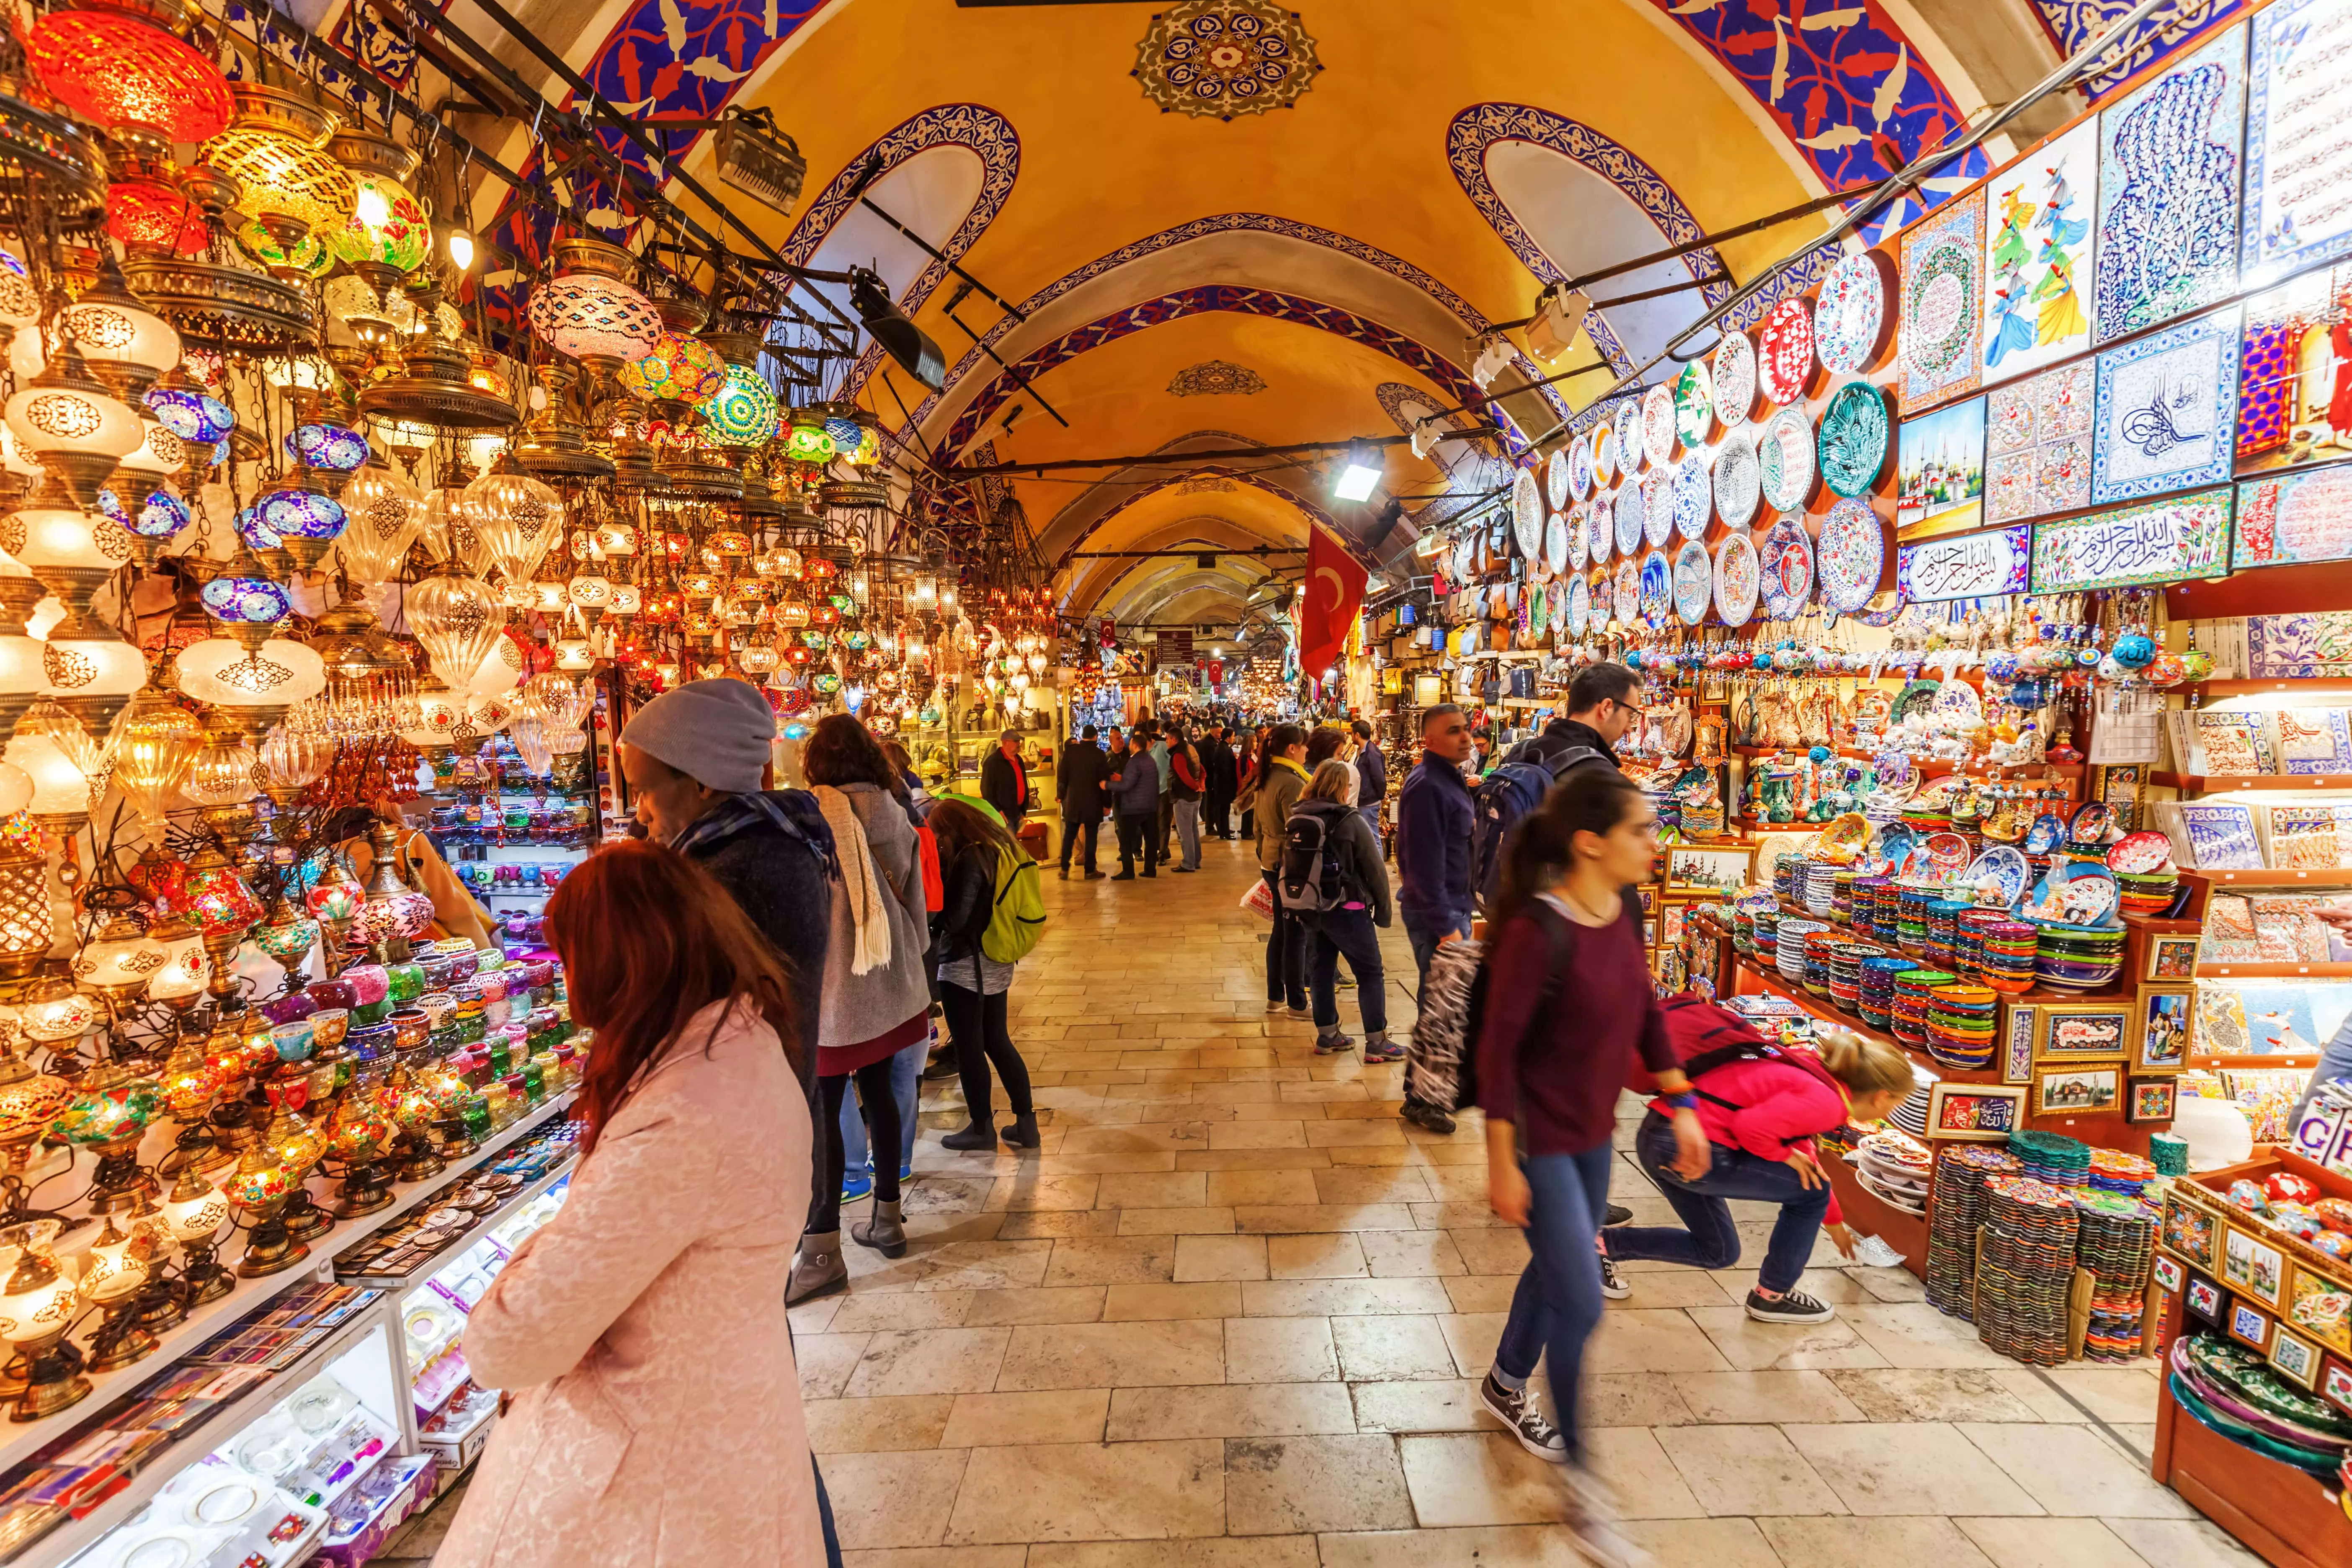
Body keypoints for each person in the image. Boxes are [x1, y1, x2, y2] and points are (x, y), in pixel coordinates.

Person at [431, 841, 824, 1568]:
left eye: (572, 954)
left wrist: (537, 1248)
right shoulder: (740, 1043)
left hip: (658, 1480)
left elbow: (512, 1341)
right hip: (718, 1429)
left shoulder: (680, 1115)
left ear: (619, 960)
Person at [1475, 769, 1709, 1558]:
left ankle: (1506, 1380)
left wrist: (1681, 1101)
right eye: (1642, 828)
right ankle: (1583, 1490)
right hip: (1541, 1144)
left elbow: (1642, 1005)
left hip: (1590, 1138)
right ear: (1590, 841)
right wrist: (1501, 1160)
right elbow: (1498, 1053)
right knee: (1581, 1305)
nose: (1655, 842)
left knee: (1557, 1271)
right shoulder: (1536, 931)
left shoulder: (1623, 909)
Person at [1602, 1002, 1914, 1322]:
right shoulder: (1828, 1104)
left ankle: (1600, 1246)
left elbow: (1807, 1160)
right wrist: (1783, 1157)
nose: (1891, 1113)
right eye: (1897, 1104)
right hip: (1688, 1145)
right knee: (1811, 1195)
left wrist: (1834, 1223)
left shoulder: (1812, 1071)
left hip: (1663, 1135)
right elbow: (1752, 1129)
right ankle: (1773, 1296)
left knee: (1719, 1251)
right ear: (1881, 1097)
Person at [789, 716, 935, 1305]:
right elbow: (914, 892)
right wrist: (913, 958)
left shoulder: (809, 816)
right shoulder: (893, 811)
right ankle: (889, 1217)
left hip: (831, 989)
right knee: (880, 1093)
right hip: (889, 981)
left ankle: (822, 1249)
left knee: (823, 1112)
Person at [929, 799, 1041, 1150]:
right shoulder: (1001, 848)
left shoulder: (969, 858)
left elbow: (957, 920)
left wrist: (932, 917)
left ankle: (981, 1129)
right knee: (997, 1041)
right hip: (996, 960)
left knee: (970, 1048)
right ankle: (1027, 1124)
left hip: (966, 967)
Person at [1292, 759, 1397, 1060]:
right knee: (1370, 972)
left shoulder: (1299, 815)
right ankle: (1378, 1043)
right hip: (1348, 907)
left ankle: (1328, 1036)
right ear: (1343, 787)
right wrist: (1385, 913)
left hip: (1312, 907)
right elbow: (1376, 871)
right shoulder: (1349, 820)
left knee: (1321, 970)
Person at [1243, 724, 1311, 1016]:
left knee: (1281, 931)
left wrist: (1265, 854)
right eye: (1304, 745)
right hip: (1288, 865)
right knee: (1295, 934)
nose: (1307, 751)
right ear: (1292, 749)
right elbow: (1298, 831)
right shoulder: (1292, 782)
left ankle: (1275, 996)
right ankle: (1296, 1001)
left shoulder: (1267, 777)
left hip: (1271, 861)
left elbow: (1258, 827)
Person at [1505, 661, 1645, 774]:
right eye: (1630, 715)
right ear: (1606, 708)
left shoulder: (1519, 753)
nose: (1628, 729)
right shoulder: (1598, 775)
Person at [1055, 723, 1110, 880]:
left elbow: (1062, 778)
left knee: (1069, 835)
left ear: (1081, 736)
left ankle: (1064, 868)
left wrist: (1062, 797)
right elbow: (1104, 781)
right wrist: (1107, 804)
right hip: (1093, 801)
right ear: (1096, 737)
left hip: (1072, 801)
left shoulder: (1069, 753)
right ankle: (1090, 870)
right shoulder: (1099, 755)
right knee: (1091, 836)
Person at [1108, 724, 1161, 880]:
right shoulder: (1150, 760)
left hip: (1134, 807)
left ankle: (1128, 871)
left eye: (1130, 743)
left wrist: (1108, 785)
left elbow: (1127, 785)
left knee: (1125, 839)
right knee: (1151, 839)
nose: (1127, 745)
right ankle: (1150, 869)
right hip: (1150, 806)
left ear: (1136, 745)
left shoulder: (1134, 761)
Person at [1168, 724, 1205, 873]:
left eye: (1167, 740)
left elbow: (1184, 777)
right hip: (1196, 797)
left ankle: (1188, 863)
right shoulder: (1191, 749)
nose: (1166, 743)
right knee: (1193, 829)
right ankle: (1196, 860)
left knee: (1185, 832)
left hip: (1184, 797)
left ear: (1173, 739)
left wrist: (1196, 786)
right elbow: (1202, 770)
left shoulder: (1178, 755)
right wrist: (1201, 785)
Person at [980, 729, 1029, 837]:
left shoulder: (1019, 760)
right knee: (1008, 847)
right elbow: (986, 791)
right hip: (1004, 816)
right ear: (1005, 743)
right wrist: (998, 811)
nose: (1019, 744)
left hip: (1017, 813)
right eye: (1015, 741)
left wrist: (1023, 809)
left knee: (1014, 846)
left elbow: (1023, 783)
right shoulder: (992, 763)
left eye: (1019, 741)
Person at [1352, 718, 1387, 856]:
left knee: (1373, 837)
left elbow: (1379, 778)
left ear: (1358, 735)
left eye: (1352, 734)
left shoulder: (1371, 753)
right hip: (1365, 800)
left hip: (1369, 802)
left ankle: (1379, 872)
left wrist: (1378, 796)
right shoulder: (1363, 751)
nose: (1351, 736)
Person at [1200, 725, 1238, 840]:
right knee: (1223, 810)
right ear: (1228, 738)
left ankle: (1224, 831)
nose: (1234, 739)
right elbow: (1225, 769)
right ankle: (1224, 832)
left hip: (1220, 784)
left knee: (1222, 810)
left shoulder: (1221, 747)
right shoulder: (1224, 750)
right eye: (1233, 736)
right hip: (1223, 785)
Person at [1147, 722, 1175, 863]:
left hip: (1164, 790)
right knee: (1153, 824)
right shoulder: (1141, 752)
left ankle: (1162, 853)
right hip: (1150, 793)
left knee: (1164, 823)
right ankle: (1163, 849)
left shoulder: (1162, 746)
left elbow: (1173, 761)